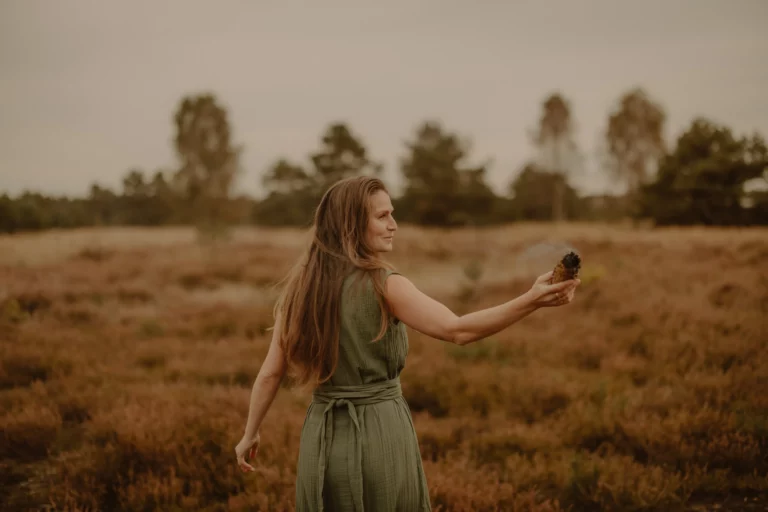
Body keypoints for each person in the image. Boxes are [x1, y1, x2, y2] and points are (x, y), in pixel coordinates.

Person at [234, 176, 580, 511]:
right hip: (380, 433)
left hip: (321, 439)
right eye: (383, 216)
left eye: (392, 213)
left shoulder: (299, 290)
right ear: (352, 225)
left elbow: (269, 374)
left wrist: (250, 434)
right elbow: (458, 330)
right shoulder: (385, 284)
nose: (393, 224)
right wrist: (531, 300)